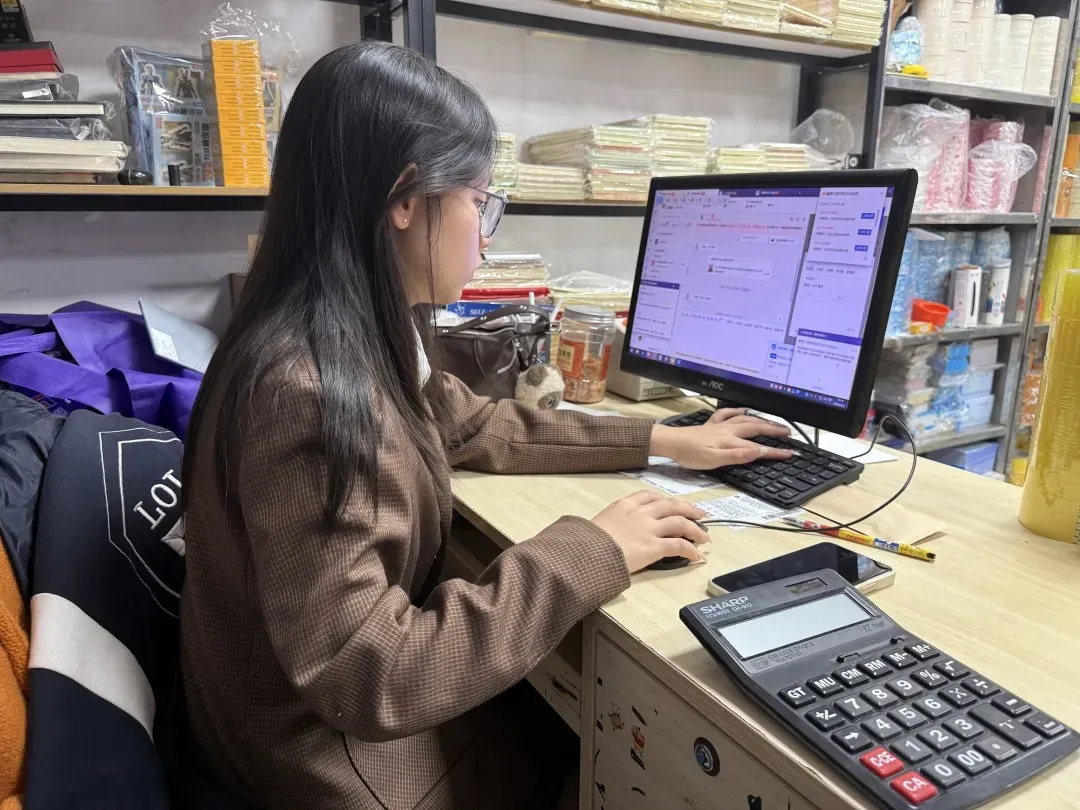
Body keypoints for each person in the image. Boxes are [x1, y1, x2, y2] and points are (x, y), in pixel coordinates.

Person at [180, 41, 792, 810]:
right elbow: (371, 673)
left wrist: (664, 440)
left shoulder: (348, 330)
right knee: (596, 742)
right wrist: (590, 549)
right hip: (320, 761)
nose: (488, 233)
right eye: (480, 201)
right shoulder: (306, 389)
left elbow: (475, 424)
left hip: (299, 719)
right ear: (405, 199)